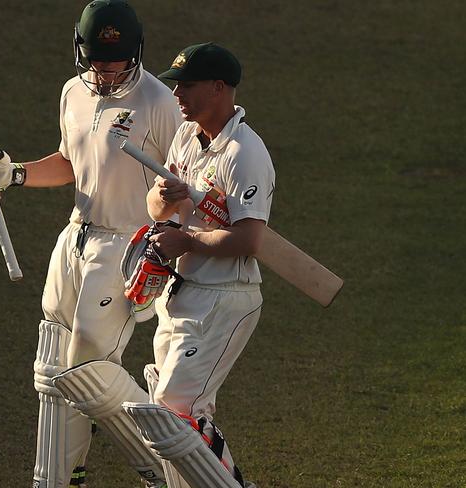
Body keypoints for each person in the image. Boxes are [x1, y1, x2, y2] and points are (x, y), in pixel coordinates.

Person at [0, 1, 182, 487]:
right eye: (98, 57)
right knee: (53, 364)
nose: (107, 68)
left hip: (126, 245)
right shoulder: (72, 93)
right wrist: (11, 174)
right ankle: (56, 477)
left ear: (136, 52)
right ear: (81, 50)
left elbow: (183, 182)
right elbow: (68, 161)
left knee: (88, 369)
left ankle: (170, 468)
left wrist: (165, 245)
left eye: (117, 59)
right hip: (75, 237)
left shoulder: (160, 103)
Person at [123, 43, 275, 488]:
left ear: (219, 87)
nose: (177, 95)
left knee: (175, 410)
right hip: (182, 290)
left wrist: (185, 239)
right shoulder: (188, 136)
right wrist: (162, 199)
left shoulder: (246, 153)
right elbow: (156, 207)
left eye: (187, 86)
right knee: (171, 416)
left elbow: (249, 239)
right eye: (175, 86)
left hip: (226, 298)